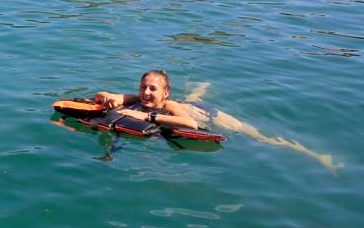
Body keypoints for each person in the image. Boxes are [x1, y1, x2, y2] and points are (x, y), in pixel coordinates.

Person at [96, 71, 339, 173]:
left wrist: (147, 117)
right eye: (143, 87)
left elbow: (189, 123)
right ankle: (200, 89)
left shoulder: (168, 105)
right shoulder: (140, 98)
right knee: (191, 99)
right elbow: (112, 97)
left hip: (207, 114)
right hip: (187, 107)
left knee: (259, 137)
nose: (147, 92)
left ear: (165, 93)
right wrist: (107, 98)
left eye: (153, 88)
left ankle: (316, 156)